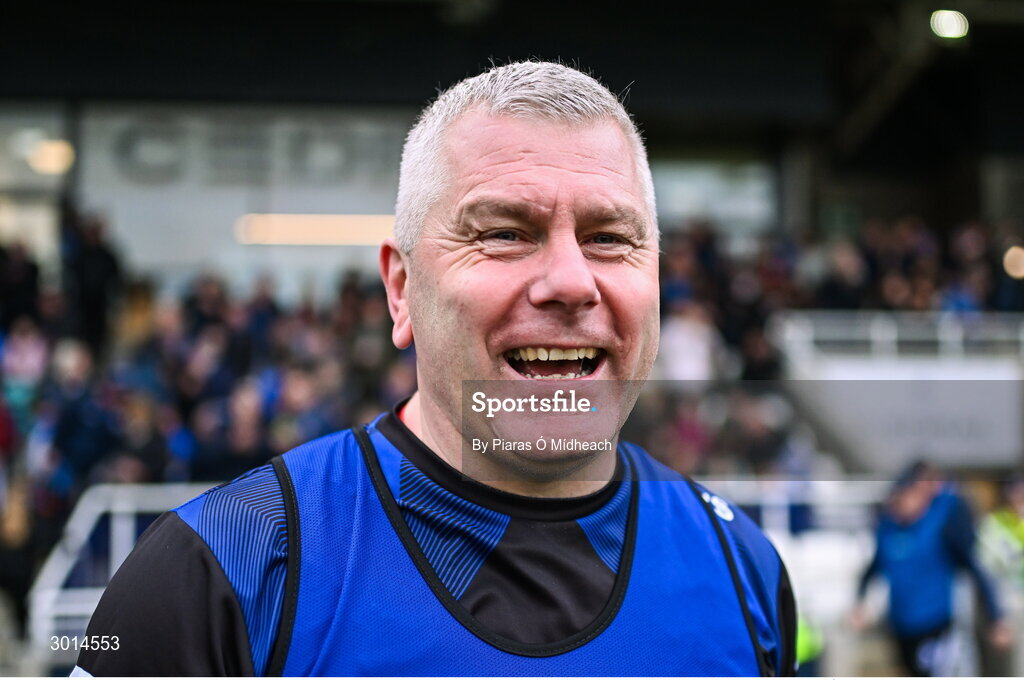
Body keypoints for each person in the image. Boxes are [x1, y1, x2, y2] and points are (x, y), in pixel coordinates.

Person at [74, 62, 796, 676]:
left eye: (610, 238)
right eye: (506, 233)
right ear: (400, 289)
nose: (573, 282)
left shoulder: (744, 571)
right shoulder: (221, 568)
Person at [851, 461, 1009, 676]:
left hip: (937, 625)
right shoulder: (888, 529)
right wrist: (860, 602)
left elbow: (975, 569)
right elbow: (873, 568)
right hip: (902, 627)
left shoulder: (941, 526)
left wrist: (996, 618)